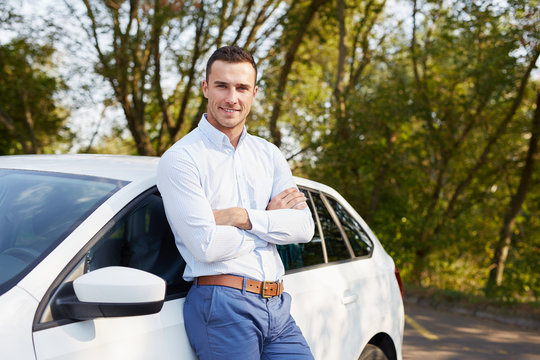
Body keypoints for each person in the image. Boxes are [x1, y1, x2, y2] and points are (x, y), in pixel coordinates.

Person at [157, 45, 315, 359]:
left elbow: (304, 228)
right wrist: (269, 224)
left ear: (254, 93)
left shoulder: (268, 154)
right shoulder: (181, 159)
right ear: (205, 88)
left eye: (242, 87)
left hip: (279, 305)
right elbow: (206, 246)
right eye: (222, 86)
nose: (233, 98)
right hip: (222, 304)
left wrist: (240, 216)